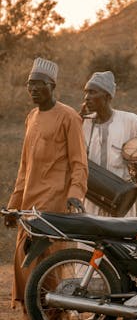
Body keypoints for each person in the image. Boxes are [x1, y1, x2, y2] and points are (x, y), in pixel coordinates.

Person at [4, 57, 88, 319]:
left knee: (50, 269)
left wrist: (75, 195)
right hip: (29, 207)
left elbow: (79, 163)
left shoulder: (69, 116)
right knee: (24, 266)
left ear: (52, 86)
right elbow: (24, 167)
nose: (33, 90)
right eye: (30, 85)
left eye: (39, 84)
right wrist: (13, 206)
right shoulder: (31, 117)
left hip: (55, 207)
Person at [80, 70, 137, 217]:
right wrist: (77, 120)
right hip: (91, 201)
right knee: (88, 240)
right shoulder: (83, 123)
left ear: (107, 96)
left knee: (119, 239)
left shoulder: (129, 121)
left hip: (121, 200)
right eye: (86, 92)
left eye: (92, 92)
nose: (86, 97)